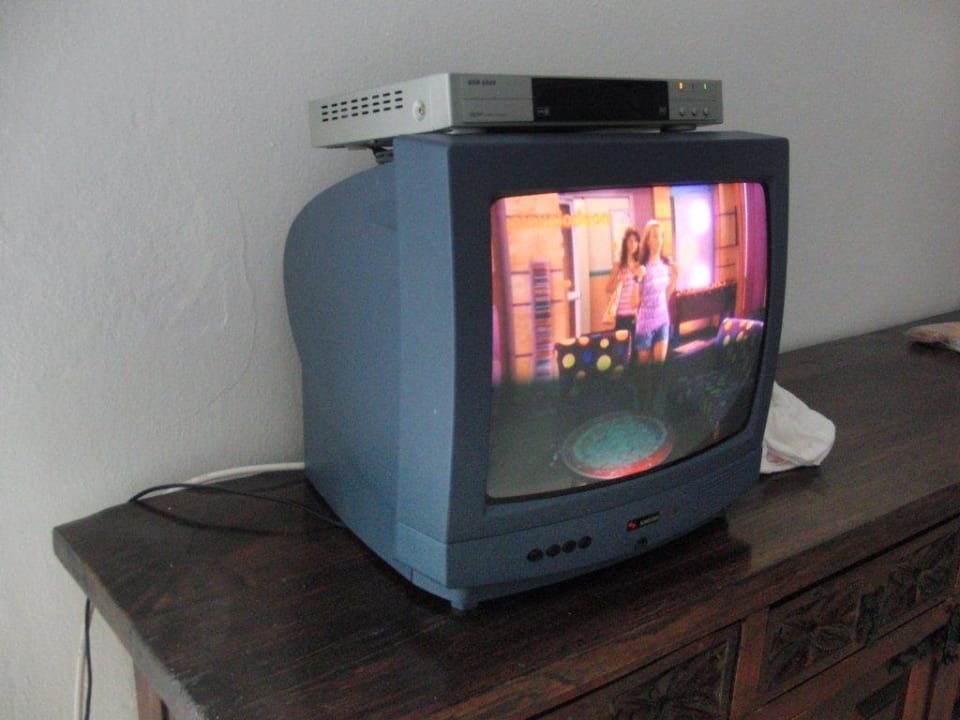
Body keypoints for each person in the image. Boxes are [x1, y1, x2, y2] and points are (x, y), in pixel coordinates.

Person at [634, 219, 677, 365]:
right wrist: (637, 279)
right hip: (645, 324)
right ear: (647, 241)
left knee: (659, 367)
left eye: (661, 236)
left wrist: (676, 276)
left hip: (662, 320)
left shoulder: (666, 265)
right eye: (655, 236)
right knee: (644, 369)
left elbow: (667, 295)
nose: (659, 240)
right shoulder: (642, 267)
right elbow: (634, 302)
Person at [606, 227, 642, 340]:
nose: (633, 244)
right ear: (625, 243)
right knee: (621, 346)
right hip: (620, 315)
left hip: (635, 315)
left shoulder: (639, 266)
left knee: (634, 346)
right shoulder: (619, 265)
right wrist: (618, 280)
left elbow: (642, 291)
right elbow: (608, 288)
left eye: (636, 241)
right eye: (630, 240)